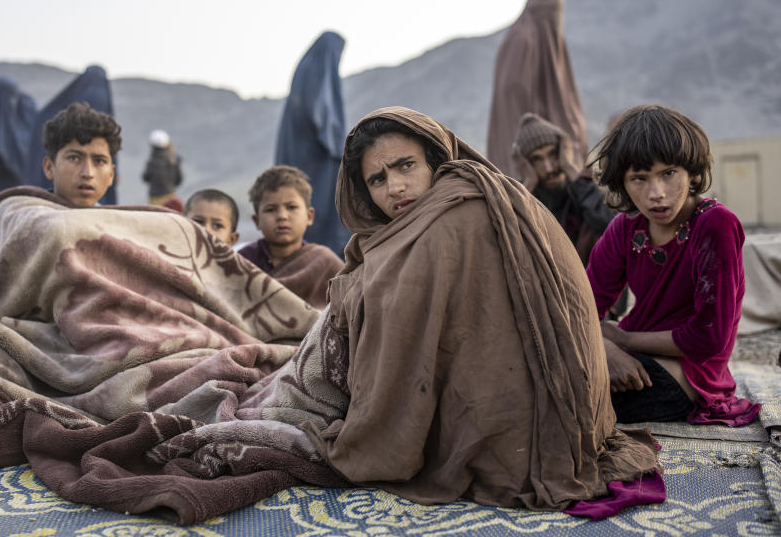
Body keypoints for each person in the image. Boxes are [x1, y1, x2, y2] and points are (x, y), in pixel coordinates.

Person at [319, 106, 661, 515]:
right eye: (378, 179)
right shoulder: (424, 222)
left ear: (434, 160)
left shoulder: (457, 213)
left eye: (406, 166)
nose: (395, 187)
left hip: (514, 430)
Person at [586, 104, 760, 426]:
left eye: (668, 174)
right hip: (630, 355)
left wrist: (622, 340)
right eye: (639, 178)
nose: (656, 194)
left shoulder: (715, 225)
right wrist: (605, 349)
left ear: (691, 172)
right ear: (623, 183)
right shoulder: (626, 228)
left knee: (572, 402)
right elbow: (582, 305)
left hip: (690, 376)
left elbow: (708, 337)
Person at [486, 0, 587, 177]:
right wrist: (537, 128)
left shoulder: (526, 36)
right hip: (524, 144)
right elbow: (513, 86)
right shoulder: (524, 39)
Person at [275, 31, 351, 256]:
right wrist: (340, 147)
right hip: (319, 164)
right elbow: (321, 115)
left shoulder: (303, 76)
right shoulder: (317, 76)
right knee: (321, 219)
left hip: (304, 163)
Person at [512, 113, 615, 265]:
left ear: (563, 152)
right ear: (526, 165)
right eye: (537, 159)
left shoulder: (583, 186)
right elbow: (512, 241)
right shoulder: (519, 194)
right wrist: (528, 187)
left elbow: (607, 222)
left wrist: (571, 170)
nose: (549, 168)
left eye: (553, 154)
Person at [238, 165, 343, 309]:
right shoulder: (243, 261)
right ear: (257, 221)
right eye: (271, 209)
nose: (282, 216)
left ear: (309, 216)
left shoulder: (324, 262)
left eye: (291, 207)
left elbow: (349, 306)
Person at [41, 102, 121, 208]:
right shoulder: (25, 219)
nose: (88, 173)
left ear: (111, 174)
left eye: (99, 161)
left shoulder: (117, 223)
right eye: (74, 158)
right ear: (49, 168)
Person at [142, 129, 182, 206]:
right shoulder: (173, 160)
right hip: (170, 196)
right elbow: (179, 179)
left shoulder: (151, 162)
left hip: (154, 198)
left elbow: (145, 177)